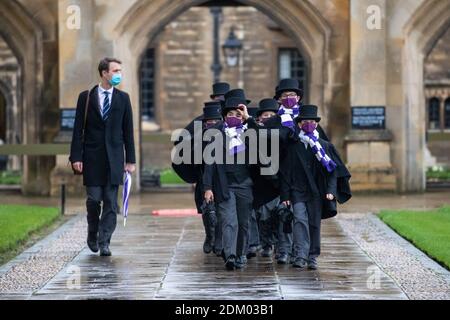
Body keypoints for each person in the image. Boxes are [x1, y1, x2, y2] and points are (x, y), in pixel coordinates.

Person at [70, 57, 136, 257]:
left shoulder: (123, 98)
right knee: (93, 200)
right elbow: (77, 129)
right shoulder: (86, 97)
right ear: (104, 73)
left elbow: (128, 131)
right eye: (115, 71)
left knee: (110, 202)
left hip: (114, 159)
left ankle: (104, 240)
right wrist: (75, 157)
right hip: (92, 158)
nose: (118, 75)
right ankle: (92, 232)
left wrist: (130, 160)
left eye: (120, 71)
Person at [279, 105, 351, 269]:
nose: (309, 124)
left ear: (317, 124)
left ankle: (312, 256)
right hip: (297, 191)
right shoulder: (292, 146)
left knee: (314, 224)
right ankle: (300, 255)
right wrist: (285, 197)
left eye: (312, 121)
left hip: (317, 192)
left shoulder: (324, 146)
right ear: (299, 124)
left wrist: (331, 191)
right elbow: (285, 173)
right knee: (299, 220)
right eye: (306, 121)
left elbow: (333, 171)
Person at [203, 89, 255, 270]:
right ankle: (230, 255)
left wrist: (248, 119)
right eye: (230, 114)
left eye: (237, 114)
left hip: (245, 184)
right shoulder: (217, 134)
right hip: (225, 185)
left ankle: (241, 254)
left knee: (243, 222)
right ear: (224, 116)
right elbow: (209, 163)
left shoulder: (251, 132)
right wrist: (208, 187)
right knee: (228, 220)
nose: (234, 117)